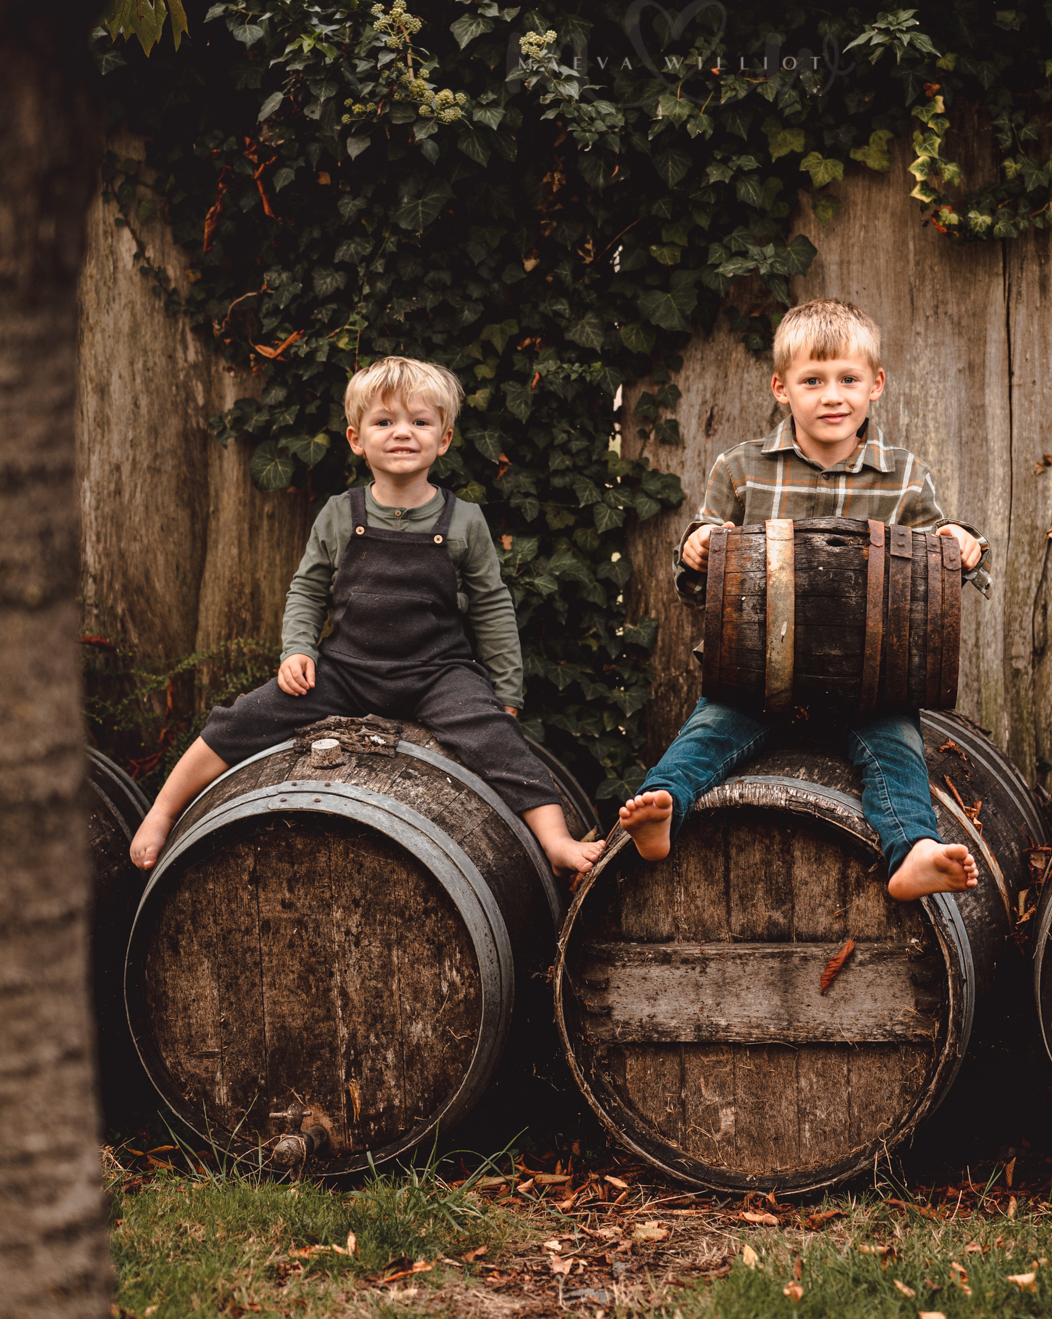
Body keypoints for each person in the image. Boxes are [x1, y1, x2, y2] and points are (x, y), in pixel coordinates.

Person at [129, 356, 603, 881]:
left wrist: (508, 694)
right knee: (243, 716)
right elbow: (307, 589)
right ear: (357, 438)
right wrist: (298, 650)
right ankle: (164, 809)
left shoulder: (463, 520)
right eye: (385, 422)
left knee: (497, 740)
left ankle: (556, 840)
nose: (403, 433)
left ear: (444, 439)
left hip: (437, 673)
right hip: (346, 670)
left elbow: (492, 605)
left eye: (420, 422)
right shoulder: (340, 512)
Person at [619, 298, 989, 902]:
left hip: (868, 683)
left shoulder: (903, 474)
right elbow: (705, 563)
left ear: (877, 385)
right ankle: (664, 808)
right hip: (760, 675)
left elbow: (939, 555)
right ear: (781, 388)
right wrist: (697, 548)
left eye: (848, 379)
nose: (832, 395)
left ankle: (913, 849)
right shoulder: (741, 470)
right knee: (708, 730)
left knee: (897, 747)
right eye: (812, 381)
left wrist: (963, 545)